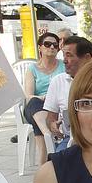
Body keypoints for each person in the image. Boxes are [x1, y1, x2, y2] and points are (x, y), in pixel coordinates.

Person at [36, 36, 92, 151]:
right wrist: (53, 125)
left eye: (69, 55)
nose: (64, 60)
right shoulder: (58, 81)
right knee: (58, 163)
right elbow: (50, 118)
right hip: (69, 139)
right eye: (63, 55)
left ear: (87, 58)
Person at [20, 32, 65, 165]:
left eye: (55, 45)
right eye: (47, 44)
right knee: (34, 102)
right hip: (38, 104)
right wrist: (43, 97)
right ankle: (48, 132)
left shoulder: (63, 66)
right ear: (40, 47)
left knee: (38, 124)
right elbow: (28, 95)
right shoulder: (32, 69)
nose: (51, 47)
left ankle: (43, 159)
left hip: (57, 105)